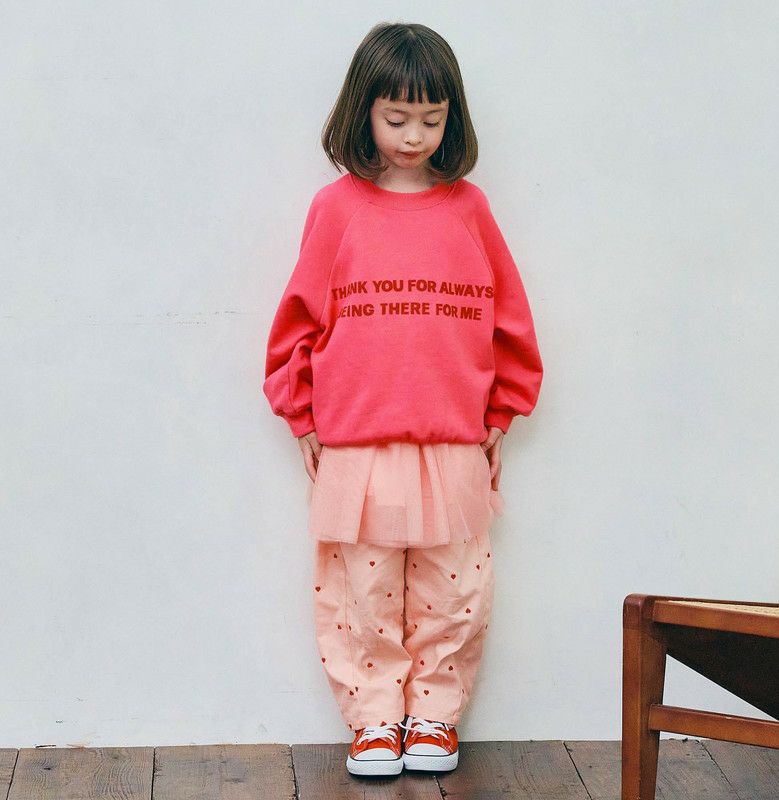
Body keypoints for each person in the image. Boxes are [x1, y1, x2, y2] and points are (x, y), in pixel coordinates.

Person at [262, 21, 544, 778]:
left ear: (453, 117)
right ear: (364, 112)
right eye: (397, 118)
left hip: (453, 440)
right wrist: (300, 414)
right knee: (362, 591)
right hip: (356, 442)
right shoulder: (336, 210)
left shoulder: (470, 209)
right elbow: (297, 320)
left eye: (431, 118)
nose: (414, 136)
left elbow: (510, 318)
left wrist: (502, 412)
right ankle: (375, 721)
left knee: (456, 590)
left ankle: (434, 717)